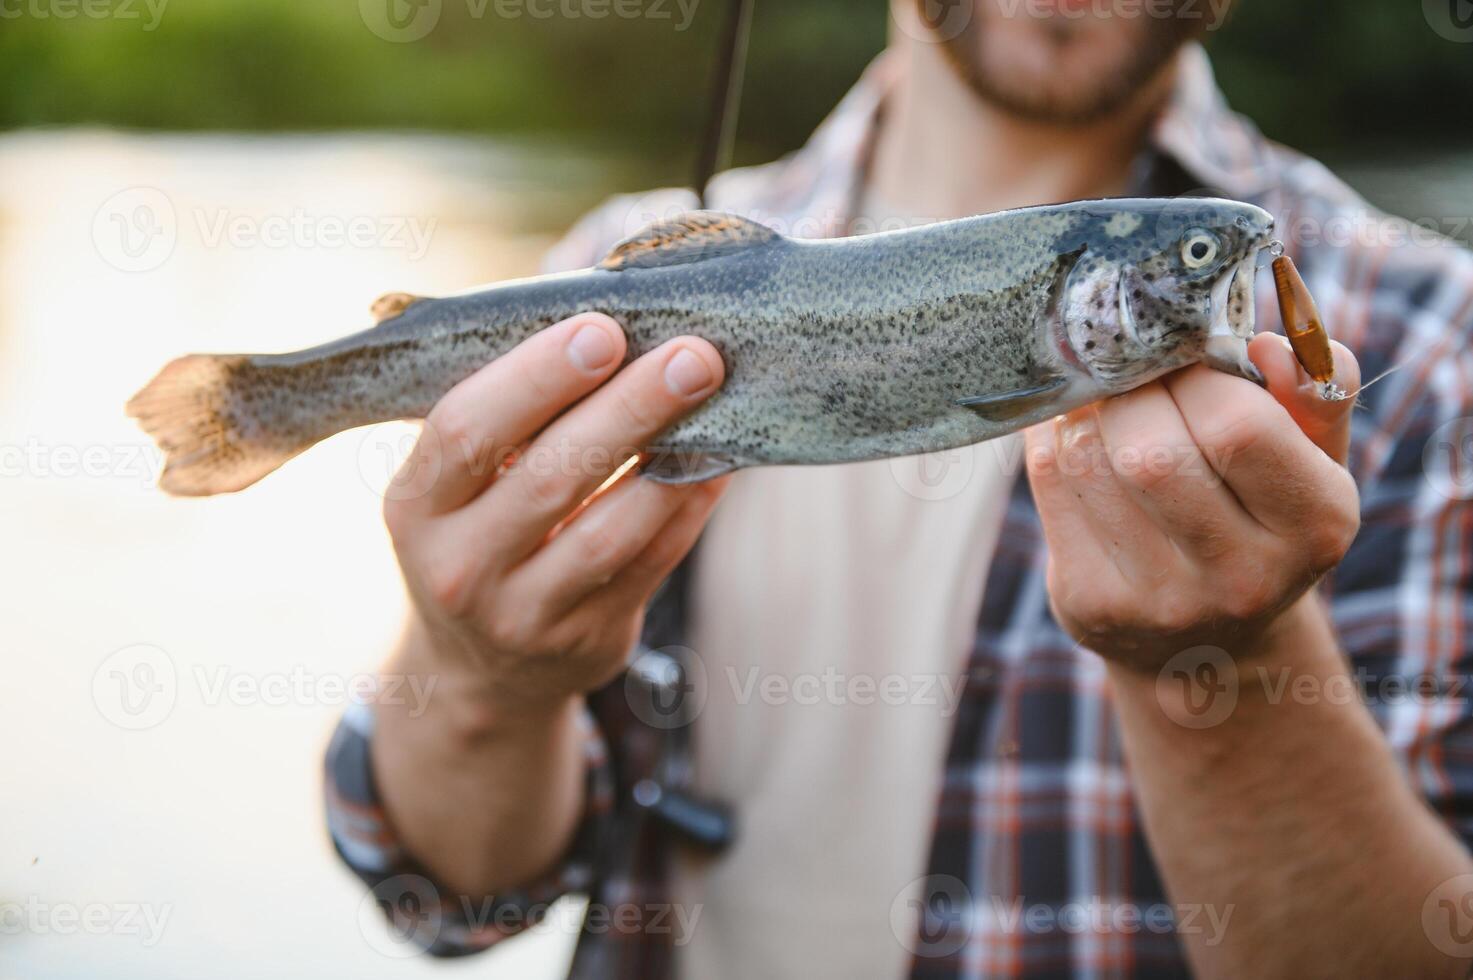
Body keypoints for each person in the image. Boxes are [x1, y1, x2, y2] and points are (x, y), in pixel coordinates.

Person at [323, 1, 1473, 976]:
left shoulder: (1430, 344)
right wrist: (482, 674)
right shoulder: (620, 269)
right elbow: (454, 897)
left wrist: (1232, 674)